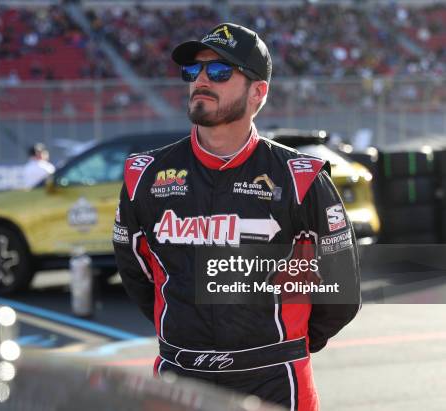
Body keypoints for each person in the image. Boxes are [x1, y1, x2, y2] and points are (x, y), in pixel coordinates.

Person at [112, 23, 361, 411]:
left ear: (258, 92)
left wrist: (283, 345)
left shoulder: (301, 178)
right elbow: (136, 274)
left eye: (220, 72)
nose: (201, 81)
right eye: (193, 71)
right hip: (179, 377)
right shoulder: (145, 175)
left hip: (274, 379)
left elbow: (340, 291)